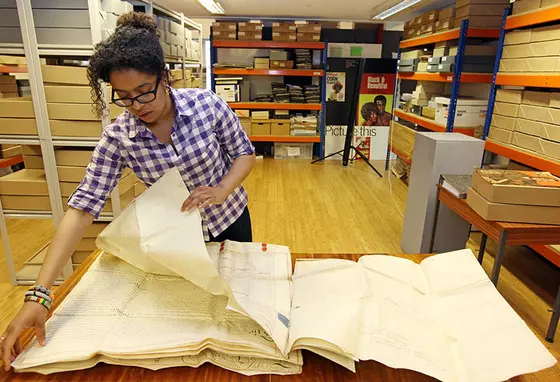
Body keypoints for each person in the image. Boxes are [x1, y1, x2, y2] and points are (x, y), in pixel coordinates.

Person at [0, 12, 256, 370]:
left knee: (238, 309)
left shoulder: (207, 105)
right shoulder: (119, 138)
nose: (138, 106)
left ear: (164, 76)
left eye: (144, 91)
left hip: (231, 220)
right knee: (193, 319)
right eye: (124, 97)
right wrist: (39, 295)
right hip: (179, 238)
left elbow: (244, 153)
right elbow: (81, 208)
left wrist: (222, 188)